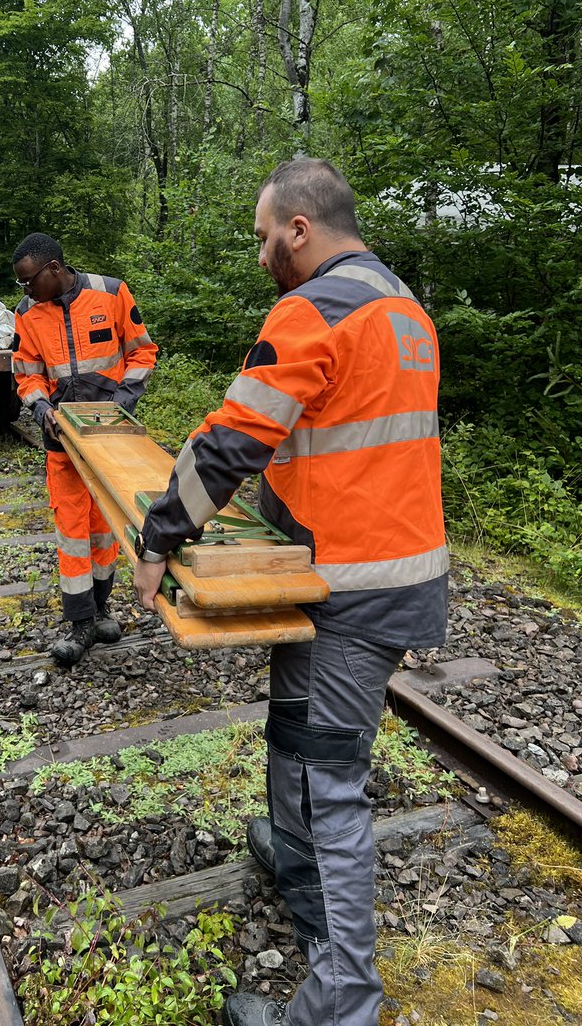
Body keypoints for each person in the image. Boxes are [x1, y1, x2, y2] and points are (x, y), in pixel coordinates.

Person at [133, 159, 448, 1026]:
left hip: (352, 590)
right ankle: (293, 855)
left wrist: (162, 532)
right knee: (295, 732)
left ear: (299, 229)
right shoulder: (402, 306)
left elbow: (238, 433)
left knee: (332, 778)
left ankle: (341, 1000)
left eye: (265, 236)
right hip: (368, 572)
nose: (262, 254)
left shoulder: (316, 307)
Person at [12, 232, 158, 667]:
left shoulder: (111, 294)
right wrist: (42, 409)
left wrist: (121, 404)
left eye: (29, 281)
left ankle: (102, 609)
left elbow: (142, 353)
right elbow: (27, 374)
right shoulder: (27, 313)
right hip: (63, 444)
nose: (25, 291)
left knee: (104, 526)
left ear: (54, 269)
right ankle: (79, 624)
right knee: (73, 531)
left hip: (110, 440)